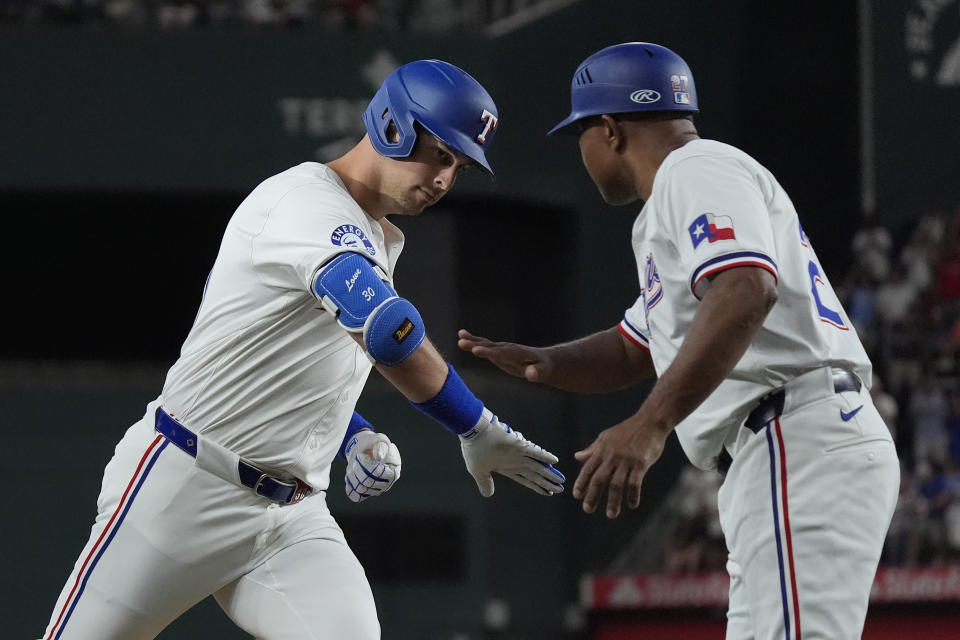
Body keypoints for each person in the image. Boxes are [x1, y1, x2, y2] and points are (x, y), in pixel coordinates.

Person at [40, 59, 564, 640]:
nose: (445, 179)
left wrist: (351, 432)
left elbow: (283, 363)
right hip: (185, 486)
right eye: (441, 154)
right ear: (393, 124)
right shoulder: (307, 202)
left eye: (459, 166)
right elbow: (386, 327)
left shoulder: (372, 230)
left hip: (290, 518)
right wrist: (474, 423)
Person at [458, 42, 899, 638]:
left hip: (797, 435)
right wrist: (545, 362)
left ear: (610, 129)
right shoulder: (680, 196)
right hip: (781, 445)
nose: (582, 153)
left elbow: (746, 289)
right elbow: (631, 347)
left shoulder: (694, 170)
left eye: (581, 135)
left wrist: (649, 426)